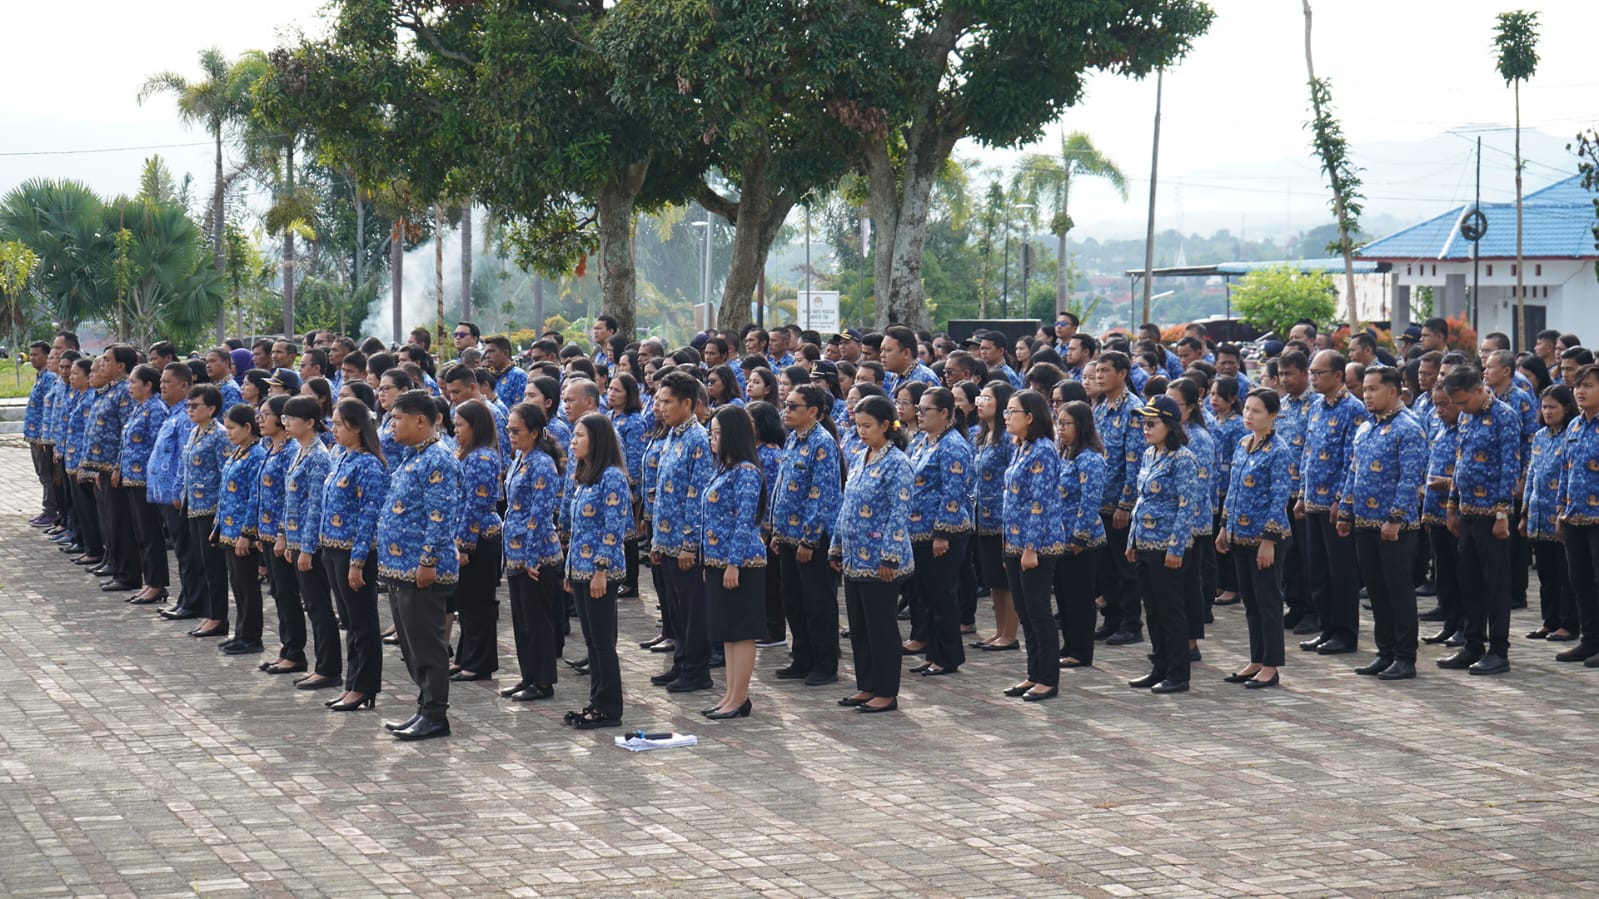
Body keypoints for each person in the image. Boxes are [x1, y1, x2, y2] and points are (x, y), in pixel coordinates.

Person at [377, 390, 465, 739]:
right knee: (411, 645)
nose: (392, 425)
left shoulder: (438, 458)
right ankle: (424, 707)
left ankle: (435, 714)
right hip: (401, 567)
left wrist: (428, 560)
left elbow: (441, 518)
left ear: (420, 421)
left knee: (427, 646)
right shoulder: (414, 455)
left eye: (397, 418)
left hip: (423, 569)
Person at [1338, 367, 1427, 681]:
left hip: (1395, 527)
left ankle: (1405, 657)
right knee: (1376, 592)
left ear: (1393, 391)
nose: (1367, 395)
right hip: (1364, 522)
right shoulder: (1365, 428)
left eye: (1373, 389)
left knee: (1398, 592)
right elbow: (1354, 472)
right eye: (1364, 389)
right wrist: (1346, 511)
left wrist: (1395, 519)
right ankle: (1385, 652)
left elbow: (1410, 480)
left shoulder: (1409, 428)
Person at [832, 395, 915, 713]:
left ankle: (886, 690)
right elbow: (847, 503)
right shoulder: (860, 455)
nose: (862, 431)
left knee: (881, 626)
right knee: (860, 625)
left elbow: (899, 513)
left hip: (881, 560)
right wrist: (836, 546)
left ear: (885, 425)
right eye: (858, 426)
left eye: (867, 426)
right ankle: (866, 685)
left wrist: (889, 557)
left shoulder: (897, 463)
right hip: (854, 557)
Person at [1442, 366, 1520, 675]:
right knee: (1469, 582)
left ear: (1478, 390)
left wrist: (1502, 513)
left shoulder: (1505, 417)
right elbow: (1459, 463)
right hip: (1468, 512)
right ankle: (1472, 643)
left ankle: (1498, 650)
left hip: (1492, 514)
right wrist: (1451, 505)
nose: (1460, 408)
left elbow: (1510, 466)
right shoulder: (1465, 417)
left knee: (1496, 584)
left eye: (1462, 401)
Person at [1216, 388, 1292, 688]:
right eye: (1246, 409)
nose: (1249, 415)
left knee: (1268, 602)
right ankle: (1256, 659)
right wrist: (1224, 527)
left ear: (1273, 416)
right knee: (1251, 602)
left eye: (1257, 411)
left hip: (1265, 539)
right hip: (1239, 535)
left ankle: (1271, 665)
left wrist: (1269, 541)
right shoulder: (1243, 443)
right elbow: (1233, 490)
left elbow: (1279, 498)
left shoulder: (1279, 450)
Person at [770, 384, 844, 684]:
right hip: (788, 534)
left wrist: (810, 538)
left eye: (793, 406)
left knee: (817, 602)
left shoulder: (822, 444)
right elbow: (783, 486)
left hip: (812, 538)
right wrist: (777, 530)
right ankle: (802, 657)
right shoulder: (793, 440)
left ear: (812, 412)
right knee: (793, 600)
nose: (785, 411)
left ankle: (824, 663)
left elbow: (822, 495)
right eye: (785, 405)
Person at [563, 412, 633, 729]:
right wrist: (569, 569)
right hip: (579, 569)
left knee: (604, 643)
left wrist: (601, 570)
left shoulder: (612, 477)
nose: (573, 441)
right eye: (573, 435)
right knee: (591, 642)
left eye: (579, 435)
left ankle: (609, 706)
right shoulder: (585, 475)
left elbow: (613, 528)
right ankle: (596, 701)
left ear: (598, 440)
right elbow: (578, 530)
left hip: (599, 572)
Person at [1128, 395, 1201, 694]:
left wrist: (1176, 547)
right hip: (1145, 543)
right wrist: (1132, 539)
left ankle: (1178, 673)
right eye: (1143, 422)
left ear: (1169, 425)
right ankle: (1159, 666)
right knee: (1153, 610)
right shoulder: (1149, 454)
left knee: (1171, 610)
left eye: (1151, 423)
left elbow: (1187, 505)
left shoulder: (1183, 458)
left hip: (1167, 546)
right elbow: (1141, 501)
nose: (1145, 428)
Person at [649, 370, 716, 694]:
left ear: (687, 403)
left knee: (692, 610)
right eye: (659, 401)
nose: (660, 407)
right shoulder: (673, 434)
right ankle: (680, 662)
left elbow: (697, 496)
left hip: (686, 542)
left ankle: (696, 670)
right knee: (675, 609)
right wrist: (658, 540)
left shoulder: (698, 439)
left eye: (667, 402)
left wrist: (690, 544)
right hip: (667, 538)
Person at [700, 407, 768, 719]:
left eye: (717, 433)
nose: (712, 438)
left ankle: (739, 698)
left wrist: (733, 563)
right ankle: (730, 695)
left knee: (741, 631)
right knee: (727, 631)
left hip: (741, 564)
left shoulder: (746, 471)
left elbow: (745, 521)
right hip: (718, 561)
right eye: (710, 432)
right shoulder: (723, 468)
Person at [320, 399, 387, 712]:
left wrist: (358, 562)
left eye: (338, 424)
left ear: (357, 427)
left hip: (353, 553)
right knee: (349, 621)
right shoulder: (342, 457)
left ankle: (364, 686)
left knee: (362, 622)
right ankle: (351, 684)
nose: (332, 429)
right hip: (333, 549)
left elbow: (368, 517)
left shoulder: (370, 465)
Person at [1297, 351, 1365, 656]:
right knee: (1318, 571)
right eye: (1311, 372)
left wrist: (1341, 499)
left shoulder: (1354, 409)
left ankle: (1345, 633)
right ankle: (1326, 628)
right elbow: (1308, 453)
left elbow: (1353, 459)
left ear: (1338, 375)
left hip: (1336, 504)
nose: (1313, 378)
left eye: (1318, 373)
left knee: (1341, 572)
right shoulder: (1315, 407)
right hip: (1313, 501)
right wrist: (1301, 494)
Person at [905, 386, 974, 678]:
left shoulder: (953, 446)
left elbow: (954, 492)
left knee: (943, 596)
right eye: (918, 409)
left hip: (941, 533)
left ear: (945, 413)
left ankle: (947, 656)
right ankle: (933, 652)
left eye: (925, 410)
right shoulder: (923, 440)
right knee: (927, 597)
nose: (919, 415)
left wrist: (942, 533)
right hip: (918, 531)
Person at [502, 402, 566, 702]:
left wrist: (529, 557)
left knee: (537, 621)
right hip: (515, 554)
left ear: (536, 432)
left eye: (517, 431)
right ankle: (527, 676)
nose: (511, 435)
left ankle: (542, 681)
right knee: (521, 621)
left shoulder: (542, 464)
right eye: (509, 430)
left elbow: (539, 516)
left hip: (537, 557)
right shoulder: (520, 458)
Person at [281, 396, 341, 690]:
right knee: (311, 605)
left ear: (309, 422)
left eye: (292, 419)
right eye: (284, 418)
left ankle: (328, 667)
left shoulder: (318, 455)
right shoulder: (300, 451)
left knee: (319, 607)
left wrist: (306, 548)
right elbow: (292, 499)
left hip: (311, 544)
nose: (286, 424)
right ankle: (322, 664)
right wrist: (285, 535)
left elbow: (316, 506)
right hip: (295, 540)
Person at [1093, 352, 1145, 645]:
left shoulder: (1134, 410)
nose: (1099, 376)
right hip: (1100, 499)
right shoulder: (1101, 408)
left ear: (1123, 374)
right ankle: (1111, 618)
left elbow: (1134, 461)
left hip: (1119, 503)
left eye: (1105, 371)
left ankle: (1130, 623)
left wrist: (1126, 503)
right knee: (1105, 568)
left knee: (1125, 567)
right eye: (1097, 370)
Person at [1051, 400, 1106, 670]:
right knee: (1063, 596)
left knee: (1079, 598)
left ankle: (1081, 650)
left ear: (1081, 426)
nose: (1061, 429)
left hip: (1082, 541)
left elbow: (1090, 502)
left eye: (1066, 423)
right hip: (1060, 538)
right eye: (1059, 423)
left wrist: (1079, 538)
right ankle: (1069, 644)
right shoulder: (1064, 454)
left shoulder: (1090, 459)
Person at [452, 400, 504, 683]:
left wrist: (464, 545)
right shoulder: (469, 454)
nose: (455, 430)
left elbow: (475, 504)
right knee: (467, 603)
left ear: (476, 426)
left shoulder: (482, 457)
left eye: (461, 425)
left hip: (480, 538)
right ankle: (465, 658)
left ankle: (480, 663)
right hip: (466, 534)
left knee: (478, 603)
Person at [1523, 385, 1578, 642]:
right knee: (1546, 575)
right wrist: (1524, 512)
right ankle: (1550, 620)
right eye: (1544, 407)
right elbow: (1532, 474)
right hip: (1538, 514)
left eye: (1552, 407)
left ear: (1566, 408)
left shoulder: (1572, 434)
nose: (1547, 411)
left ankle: (1568, 623)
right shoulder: (1541, 436)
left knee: (1565, 573)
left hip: (1561, 515)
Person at [181, 384, 233, 639]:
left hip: (211, 509)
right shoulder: (195, 432)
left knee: (213, 567)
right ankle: (209, 612)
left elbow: (226, 474)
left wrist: (222, 513)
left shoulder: (220, 435)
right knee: (200, 563)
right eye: (187, 405)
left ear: (211, 408)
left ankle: (218, 616)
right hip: (194, 506)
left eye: (195, 405)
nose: (189, 410)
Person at [970, 380, 1018, 651]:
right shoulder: (982, 434)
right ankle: (999, 631)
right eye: (980, 397)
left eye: (987, 398)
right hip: (983, 519)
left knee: (1006, 579)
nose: (980, 402)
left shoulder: (1007, 439)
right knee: (993, 581)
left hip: (1002, 519)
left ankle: (1010, 634)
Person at [216, 403, 268, 655]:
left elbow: (253, 498)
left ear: (248, 427)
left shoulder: (256, 455)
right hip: (228, 529)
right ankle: (240, 632)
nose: (228, 433)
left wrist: (247, 533)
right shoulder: (239, 452)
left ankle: (251, 636)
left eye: (232, 428)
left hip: (241, 532)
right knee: (236, 584)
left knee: (247, 585)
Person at [118, 364, 170, 605]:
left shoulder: (156, 409)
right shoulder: (139, 408)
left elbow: (158, 449)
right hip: (131, 479)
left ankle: (157, 584)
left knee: (150, 533)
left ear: (148, 385)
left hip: (146, 481)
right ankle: (148, 582)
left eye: (133, 382)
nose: (129, 386)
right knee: (140, 532)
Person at [1559, 364, 1599, 667]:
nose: (1580, 391)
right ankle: (1589, 640)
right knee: (1581, 582)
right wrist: (1561, 510)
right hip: (1574, 517)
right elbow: (1565, 471)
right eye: (1578, 386)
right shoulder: (1574, 426)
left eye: (1588, 385)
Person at [1208, 376, 1246, 605]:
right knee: (1216, 540)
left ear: (1232, 398)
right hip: (1216, 489)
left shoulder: (1238, 424)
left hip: (1230, 488)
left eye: (1219, 394)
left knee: (1229, 540)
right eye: (1211, 394)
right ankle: (1219, 583)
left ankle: (1233, 587)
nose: (1214, 399)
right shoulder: (1213, 421)